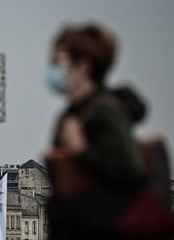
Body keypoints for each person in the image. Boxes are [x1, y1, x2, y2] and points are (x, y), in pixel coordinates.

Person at [43, 23, 150, 239]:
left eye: (59, 62)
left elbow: (131, 172)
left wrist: (83, 151)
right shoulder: (71, 114)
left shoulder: (104, 113)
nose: (52, 69)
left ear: (83, 66)